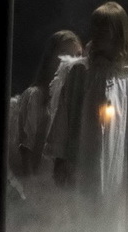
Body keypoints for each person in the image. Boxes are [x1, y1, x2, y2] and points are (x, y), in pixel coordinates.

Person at [44, 1, 128, 208]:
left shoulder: (126, 76)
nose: (97, 33)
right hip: (84, 153)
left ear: (118, 32)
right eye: (95, 27)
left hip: (117, 156)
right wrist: (60, 158)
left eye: (104, 28)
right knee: (85, 205)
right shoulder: (81, 72)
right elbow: (64, 114)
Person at [8, 30, 81, 198]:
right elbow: (26, 149)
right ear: (51, 58)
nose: (71, 61)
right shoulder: (35, 96)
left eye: (77, 55)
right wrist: (31, 191)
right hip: (41, 189)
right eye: (65, 53)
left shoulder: (72, 101)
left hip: (64, 191)